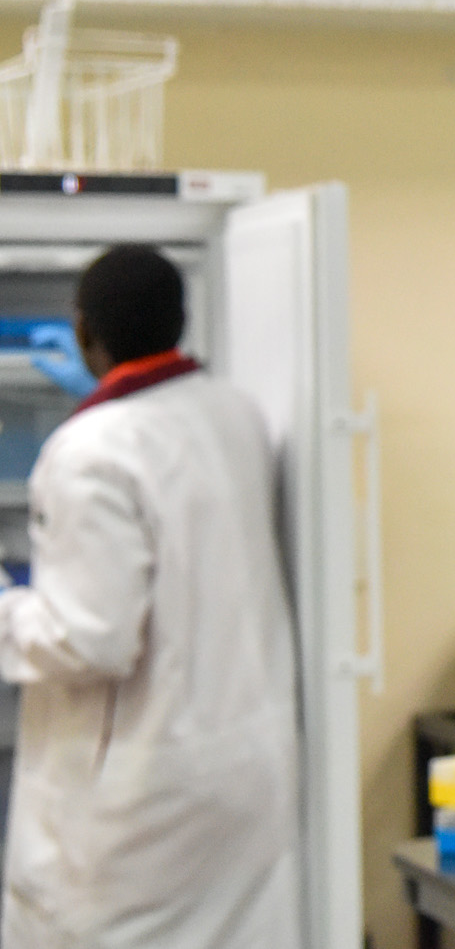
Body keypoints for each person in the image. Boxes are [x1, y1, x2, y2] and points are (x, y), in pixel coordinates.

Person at [0, 245, 302, 949]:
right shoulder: (233, 412)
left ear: (83, 332)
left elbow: (90, 639)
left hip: (136, 806)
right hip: (235, 779)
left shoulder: (86, 453)